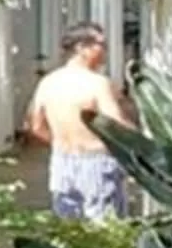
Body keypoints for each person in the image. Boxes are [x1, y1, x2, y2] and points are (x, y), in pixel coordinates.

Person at [25, 23, 133, 220]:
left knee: (69, 230)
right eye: (101, 44)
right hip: (97, 161)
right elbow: (117, 124)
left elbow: (36, 126)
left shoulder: (48, 82)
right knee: (107, 232)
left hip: (61, 161)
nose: (105, 50)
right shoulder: (98, 84)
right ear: (81, 48)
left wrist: (60, 142)